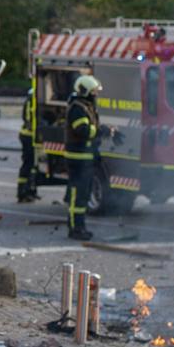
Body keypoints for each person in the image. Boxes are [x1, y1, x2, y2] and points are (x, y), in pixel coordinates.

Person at [63, 74, 102, 241]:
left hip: (85, 157)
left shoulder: (85, 106)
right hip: (77, 158)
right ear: (85, 91)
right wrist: (102, 131)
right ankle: (75, 229)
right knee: (77, 196)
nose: (96, 95)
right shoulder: (78, 108)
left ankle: (80, 227)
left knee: (83, 195)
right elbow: (83, 131)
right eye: (93, 92)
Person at [15, 75, 39, 203]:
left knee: (31, 165)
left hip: (27, 135)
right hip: (30, 136)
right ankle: (22, 192)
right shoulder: (33, 100)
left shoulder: (29, 99)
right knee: (28, 165)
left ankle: (29, 191)